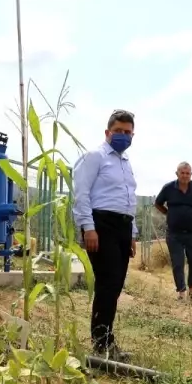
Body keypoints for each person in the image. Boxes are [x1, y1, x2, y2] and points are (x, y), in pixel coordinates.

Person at [72, 110, 138, 359]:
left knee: (116, 285)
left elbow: (128, 200)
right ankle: (100, 344)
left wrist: (132, 232)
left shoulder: (125, 162)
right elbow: (81, 194)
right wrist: (89, 227)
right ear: (107, 132)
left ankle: (107, 340)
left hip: (122, 227)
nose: (123, 135)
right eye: (118, 131)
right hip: (101, 225)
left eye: (128, 132)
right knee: (107, 283)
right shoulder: (94, 157)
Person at [154, 162, 192, 301]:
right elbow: (158, 203)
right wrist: (169, 213)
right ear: (177, 174)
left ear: (191, 174)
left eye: (188, 173)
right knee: (178, 263)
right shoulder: (168, 188)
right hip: (174, 233)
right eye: (182, 173)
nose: (185, 176)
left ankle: (191, 291)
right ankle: (181, 292)